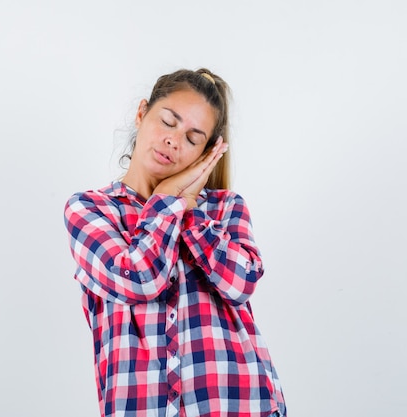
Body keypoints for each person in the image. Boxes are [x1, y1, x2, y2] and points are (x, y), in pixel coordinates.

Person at [64, 68, 286, 417]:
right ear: (141, 114)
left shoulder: (225, 208)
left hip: (240, 405)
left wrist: (189, 209)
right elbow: (140, 279)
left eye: (193, 138)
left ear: (206, 152)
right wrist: (167, 200)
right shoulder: (91, 210)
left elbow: (241, 283)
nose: (173, 140)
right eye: (168, 122)